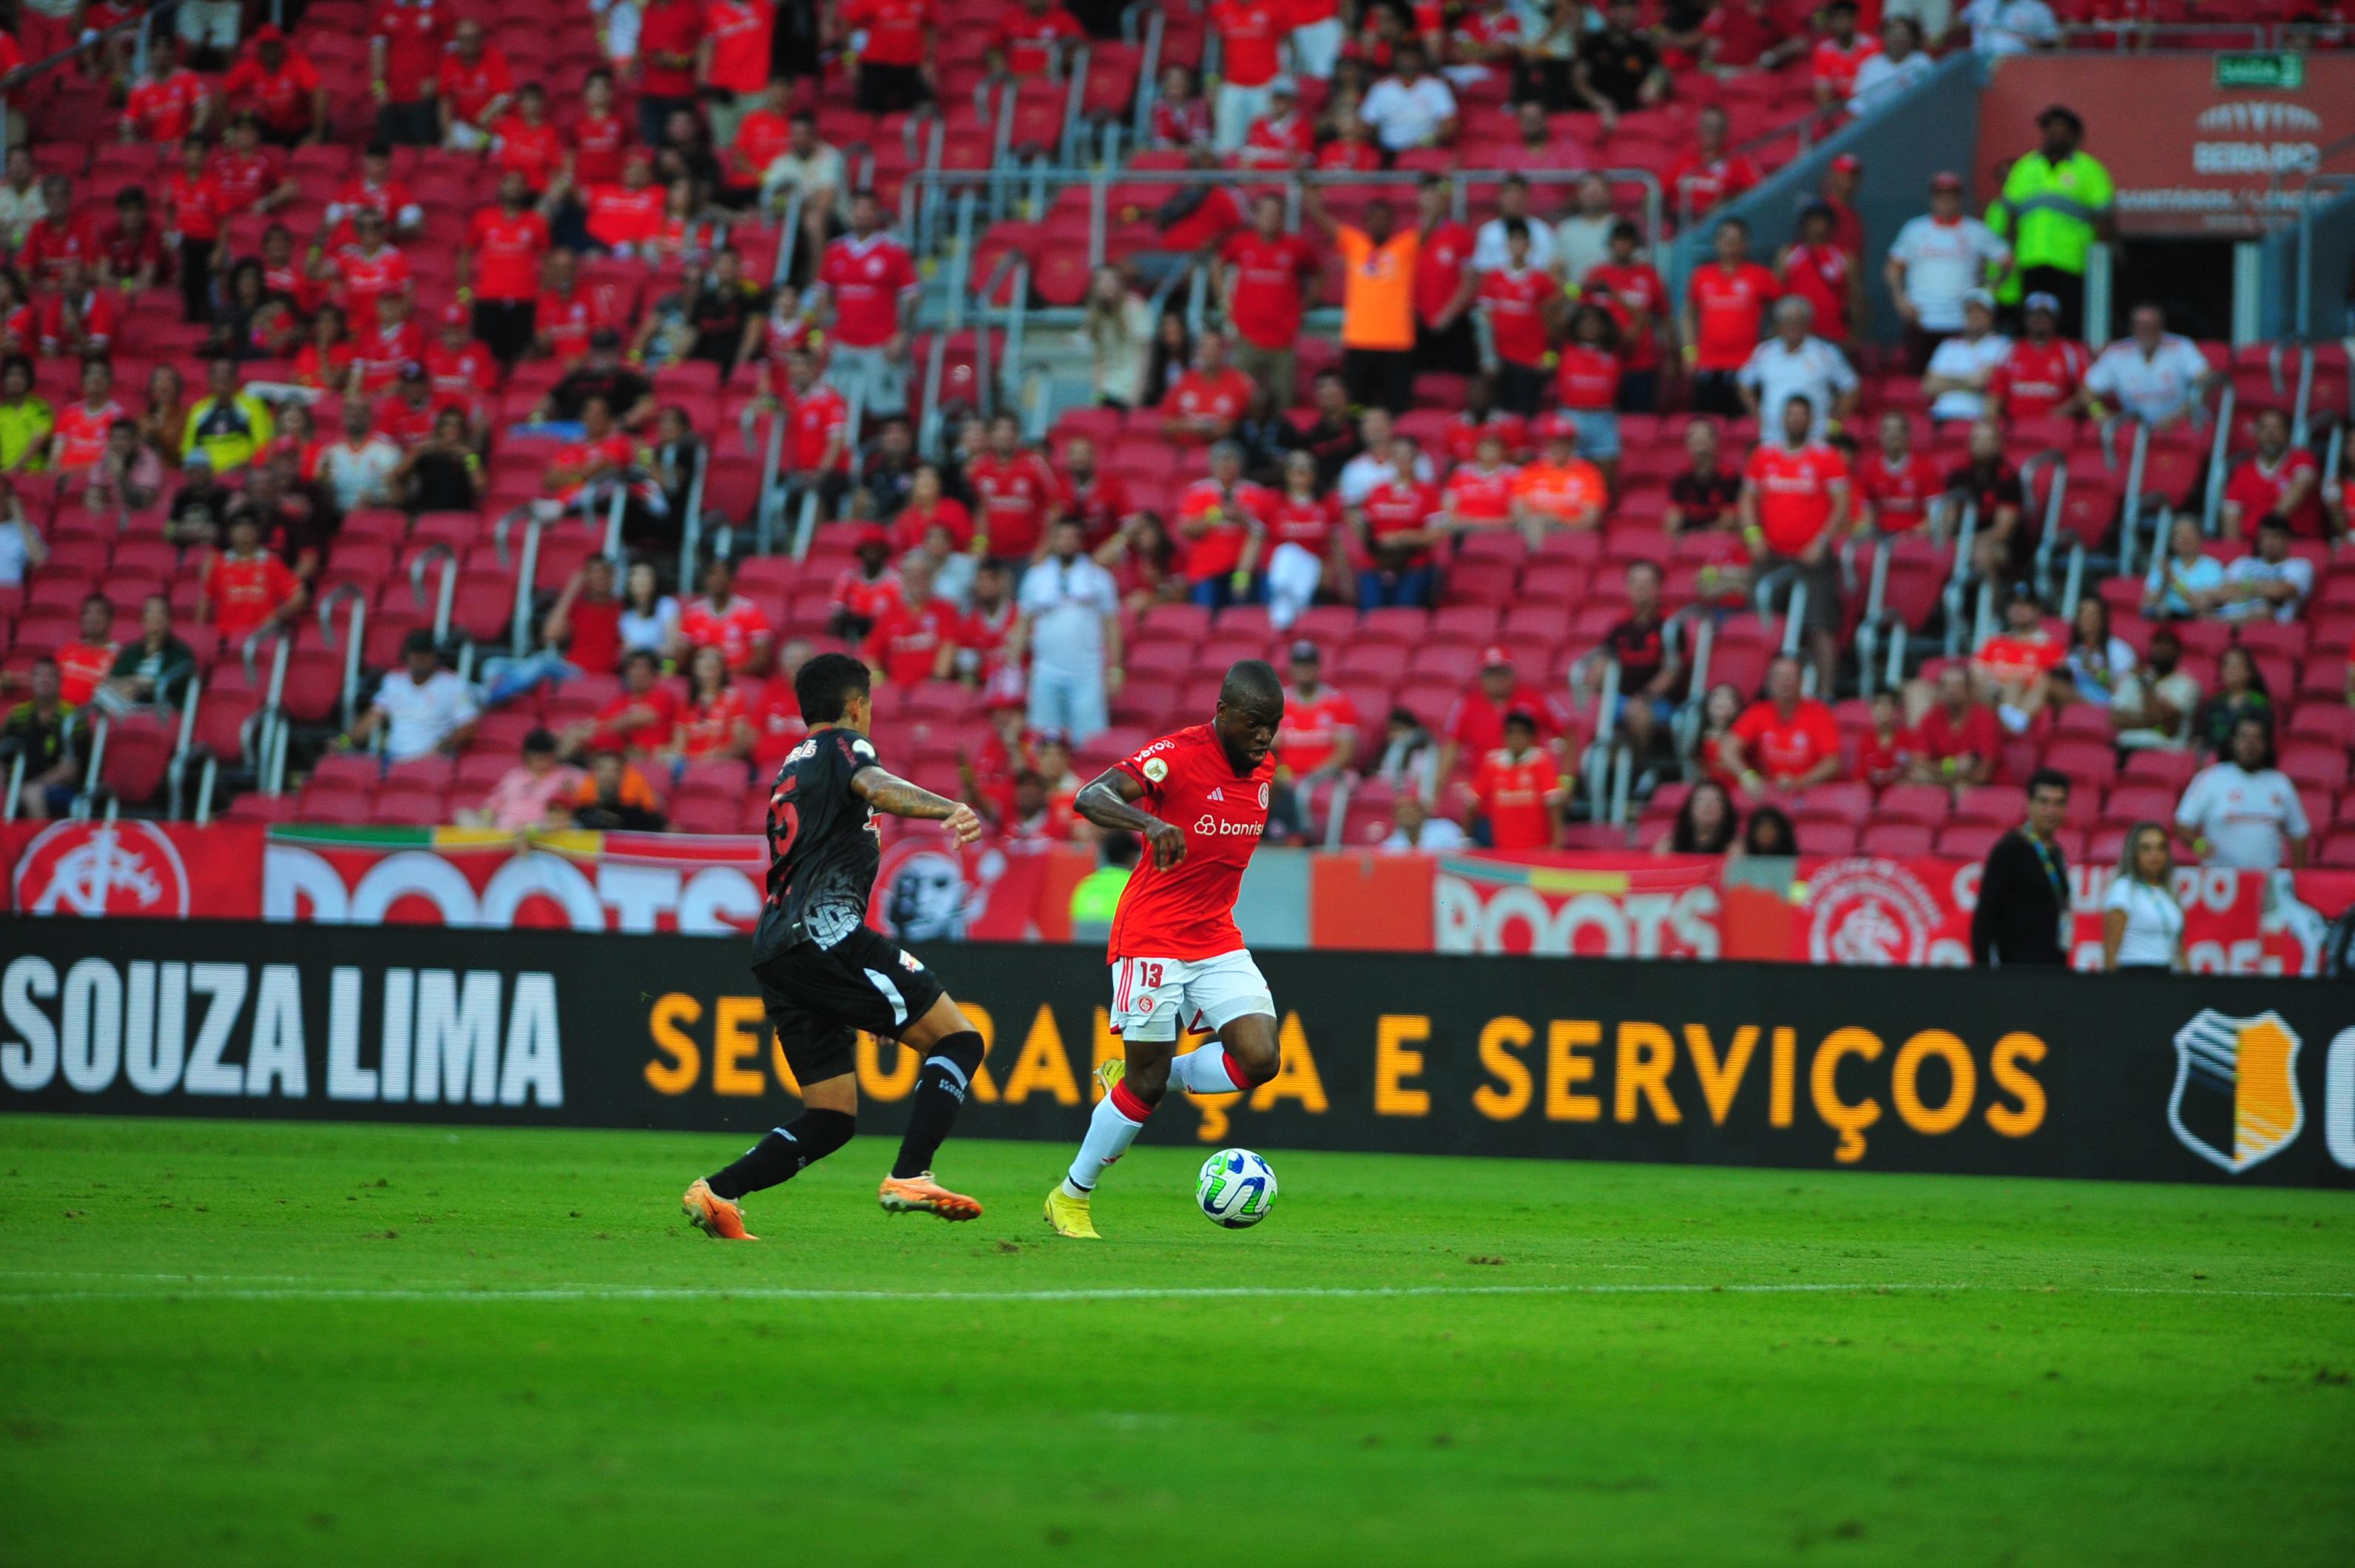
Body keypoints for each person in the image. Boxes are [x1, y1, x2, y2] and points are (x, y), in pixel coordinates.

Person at [680, 653, 992, 1240]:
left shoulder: (790, 770)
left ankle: (718, 1193)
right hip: (823, 934)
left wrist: (855, 996)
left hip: (778, 947)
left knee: (831, 1117)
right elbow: (875, 786)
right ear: (856, 706)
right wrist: (948, 807)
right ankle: (910, 1174)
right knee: (960, 1038)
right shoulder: (846, 750)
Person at [1044, 660, 1288, 1240]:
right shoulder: (1178, 755)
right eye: (1254, 723)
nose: (1264, 737)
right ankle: (1071, 1196)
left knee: (1260, 1058)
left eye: (1272, 726)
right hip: (1152, 933)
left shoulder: (1264, 766)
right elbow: (1090, 795)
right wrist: (1146, 825)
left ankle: (1130, 1076)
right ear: (1223, 712)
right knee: (1145, 1084)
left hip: (1215, 934)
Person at [1741, 394, 1850, 695]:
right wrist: (1753, 534)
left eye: (1802, 415)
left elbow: (1841, 505)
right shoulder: (1764, 456)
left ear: (1811, 420)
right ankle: (1756, 690)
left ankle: (1826, 692)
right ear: (1782, 419)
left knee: (1821, 625)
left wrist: (1822, 541)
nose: (1796, 420)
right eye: (1791, 414)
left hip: (1813, 556)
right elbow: (1747, 499)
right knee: (1759, 622)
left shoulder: (1826, 457)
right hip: (1772, 554)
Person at [1988, 103, 2107, 337]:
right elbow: (2012, 215)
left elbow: (2104, 218)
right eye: (2049, 129)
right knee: (2031, 322)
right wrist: (2010, 253)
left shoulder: (2089, 170)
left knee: (2069, 322)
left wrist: (2097, 259)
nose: (2054, 134)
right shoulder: (2025, 167)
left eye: (2061, 129)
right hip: (2030, 258)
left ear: (2073, 135)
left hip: (2072, 260)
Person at [1305, 192, 1418, 415]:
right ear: (1366, 222)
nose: (1380, 223)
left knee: (1396, 405)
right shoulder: (1355, 243)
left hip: (1397, 342)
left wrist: (1445, 187)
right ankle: (1358, 445)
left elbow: (1432, 222)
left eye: (1385, 218)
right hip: (1359, 340)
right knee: (1356, 404)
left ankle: (1391, 448)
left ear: (1392, 222)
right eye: (1375, 218)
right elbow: (1318, 215)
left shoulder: (1404, 246)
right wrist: (1308, 183)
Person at [1885, 173, 2010, 369]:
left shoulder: (1975, 230)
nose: (1946, 201)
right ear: (1932, 198)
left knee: (1956, 375)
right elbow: (1892, 269)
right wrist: (1900, 300)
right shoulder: (1915, 229)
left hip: (1959, 321)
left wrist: (1988, 291)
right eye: (1940, 195)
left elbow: (2007, 260)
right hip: (1921, 318)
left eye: (1951, 195)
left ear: (1959, 198)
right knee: (1918, 380)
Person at [1016, 517, 1123, 742]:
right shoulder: (1035, 577)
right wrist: (1013, 666)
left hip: (1087, 672)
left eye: (1072, 538)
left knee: (1090, 741)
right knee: (1044, 740)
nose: (1066, 542)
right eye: (1061, 537)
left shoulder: (1100, 578)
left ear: (1081, 542)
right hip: (1046, 671)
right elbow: (1023, 624)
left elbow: (1112, 626)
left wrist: (1115, 669)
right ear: (1053, 540)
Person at [817, 189, 919, 417]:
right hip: (843, 343)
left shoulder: (893, 251)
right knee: (834, 410)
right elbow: (824, 293)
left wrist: (902, 334)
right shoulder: (835, 250)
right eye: (857, 209)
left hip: (881, 344)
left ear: (876, 214)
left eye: (867, 209)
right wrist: (824, 333)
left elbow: (912, 296)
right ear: (850, 213)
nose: (862, 214)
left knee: (887, 411)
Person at [2175, 716, 2309, 871]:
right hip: (2223, 883)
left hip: (2267, 883)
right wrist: (2200, 845)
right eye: (2244, 737)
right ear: (2233, 741)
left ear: (2266, 744)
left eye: (2257, 738)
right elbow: (2182, 824)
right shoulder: (2211, 779)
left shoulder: (2280, 784)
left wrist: (2298, 877)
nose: (2250, 745)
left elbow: (2299, 832)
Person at [1971, 767, 2072, 967]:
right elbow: (1985, 916)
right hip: (2018, 971)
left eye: (2059, 803)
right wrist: (1982, 976)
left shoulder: (2057, 852)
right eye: (2044, 802)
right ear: (2028, 804)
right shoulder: (2009, 850)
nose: (2051, 811)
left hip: (2053, 967)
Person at [1683, 218, 1777, 417]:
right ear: (1717, 243)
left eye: (1737, 240)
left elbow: (1780, 312)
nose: (1731, 245)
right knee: (1706, 424)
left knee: (1744, 428)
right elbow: (1688, 315)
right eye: (1726, 239)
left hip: (1747, 366)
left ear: (1746, 244)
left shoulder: (1760, 275)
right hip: (1708, 366)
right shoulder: (1701, 276)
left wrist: (1769, 347)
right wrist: (1690, 351)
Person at [348, 629, 481, 762]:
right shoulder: (394, 681)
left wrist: (438, 750)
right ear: (407, 655)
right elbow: (372, 719)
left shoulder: (453, 684)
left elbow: (468, 726)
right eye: (416, 653)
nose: (420, 658)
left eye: (426, 653)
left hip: (431, 763)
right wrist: (343, 742)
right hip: (393, 759)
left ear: (435, 656)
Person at [1737, 296, 1856, 442]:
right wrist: (1758, 416)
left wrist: (1835, 421)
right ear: (1778, 325)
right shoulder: (1764, 352)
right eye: (1787, 321)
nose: (1793, 326)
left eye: (1798, 320)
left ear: (1808, 324)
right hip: (1773, 438)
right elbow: (1744, 383)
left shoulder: (1825, 352)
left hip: (1816, 439)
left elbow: (1851, 386)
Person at [2080, 303, 2214, 431]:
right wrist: (2099, 413)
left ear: (2161, 326)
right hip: (2139, 431)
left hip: (2185, 426)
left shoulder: (2182, 346)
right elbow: (2086, 392)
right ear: (2132, 328)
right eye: (2141, 325)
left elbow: (2206, 381)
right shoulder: (2117, 353)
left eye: (2152, 325)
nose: (2146, 330)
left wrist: (2179, 416)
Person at [1726, 655, 1841, 797]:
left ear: (1801, 682)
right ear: (1769, 682)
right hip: (1769, 794)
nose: (1785, 682)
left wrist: (1799, 783)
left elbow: (1832, 764)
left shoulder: (1819, 713)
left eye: (1790, 676)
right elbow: (1727, 750)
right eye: (1779, 676)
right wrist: (1749, 777)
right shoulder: (1758, 711)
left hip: (1810, 795)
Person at [2221, 408, 2324, 543]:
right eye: (2264, 428)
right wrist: (2235, 554)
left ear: (2287, 433)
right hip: (2253, 550)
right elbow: (2231, 518)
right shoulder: (2242, 471)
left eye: (2277, 428)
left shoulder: (2303, 459)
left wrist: (2268, 532)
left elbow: (2300, 488)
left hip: (2299, 544)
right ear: (2256, 433)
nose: (2270, 434)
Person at [1468, 709, 1566, 850]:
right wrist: (1465, 839)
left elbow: (1553, 804)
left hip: (1537, 849)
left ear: (1532, 737)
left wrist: (1556, 845)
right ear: (1504, 735)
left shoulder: (1541, 762)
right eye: (1512, 732)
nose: (1516, 738)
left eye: (1521, 733)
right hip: (1503, 850)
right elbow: (1472, 803)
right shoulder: (1492, 763)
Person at [0, 657, 84, 820]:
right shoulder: (18, 714)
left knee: (33, 793)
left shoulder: (73, 717)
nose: (44, 680)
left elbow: (70, 770)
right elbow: (3, 755)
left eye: (50, 675)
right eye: (39, 675)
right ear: (31, 680)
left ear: (60, 682)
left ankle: (40, 843)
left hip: (61, 788)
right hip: (19, 782)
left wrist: (31, 786)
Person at [2103, 822, 2184, 973]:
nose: (2155, 854)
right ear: (2133, 853)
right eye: (2146, 848)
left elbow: (2179, 948)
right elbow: (2111, 949)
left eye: (2161, 847)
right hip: (2134, 974)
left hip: (2166, 972)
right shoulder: (2123, 888)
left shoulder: (2168, 892)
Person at [1573, 0, 1666, 130]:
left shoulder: (1643, 46)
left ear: (1637, 14)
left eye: (1630, 10)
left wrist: (1655, 82)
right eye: (1621, 10)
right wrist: (1599, 102)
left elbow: (1660, 71)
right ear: (1611, 13)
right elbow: (1579, 80)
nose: (1625, 15)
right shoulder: (1594, 42)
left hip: (1634, 115)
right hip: (1596, 113)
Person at [468, 729, 584, 831]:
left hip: (543, 831)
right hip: (507, 831)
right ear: (528, 755)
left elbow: (591, 791)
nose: (542, 760)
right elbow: (493, 804)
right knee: (464, 815)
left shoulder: (567, 774)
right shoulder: (514, 776)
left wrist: (572, 793)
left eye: (546, 756)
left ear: (553, 754)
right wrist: (486, 816)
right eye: (538, 756)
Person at [1922, 291, 2010, 425]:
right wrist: (1967, 380)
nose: (1974, 317)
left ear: (1991, 316)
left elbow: (1982, 382)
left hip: (1975, 418)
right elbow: (1929, 386)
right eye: (1970, 312)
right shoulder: (1948, 346)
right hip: (1940, 416)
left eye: (1980, 312)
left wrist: (1947, 380)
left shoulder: (2002, 345)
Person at [99, 595, 197, 714]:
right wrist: (125, 685)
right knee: (98, 692)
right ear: (142, 620)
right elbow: (113, 678)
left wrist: (137, 685)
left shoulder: (180, 653)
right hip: (125, 702)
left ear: (169, 621)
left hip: (160, 709)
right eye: (150, 613)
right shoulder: (132, 651)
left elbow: (171, 685)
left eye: (160, 613)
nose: (155, 618)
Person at [1908, 663, 1999, 788]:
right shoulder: (1932, 717)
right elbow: (1919, 761)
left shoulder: (1984, 718)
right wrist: (1952, 766)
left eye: (1957, 686)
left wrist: (1937, 774)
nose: (1951, 691)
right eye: (1945, 686)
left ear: (1969, 690)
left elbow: (1983, 772)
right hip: (1944, 782)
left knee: (1961, 788)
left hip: (1984, 787)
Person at [2112, 626, 2201, 753]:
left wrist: (2146, 687)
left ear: (2178, 651)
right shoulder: (2135, 677)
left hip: (2164, 752)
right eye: (2158, 643)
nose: (2161, 648)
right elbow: (2116, 718)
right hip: (2126, 749)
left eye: (2168, 644)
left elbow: (2168, 725)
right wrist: (2151, 724)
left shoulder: (2188, 685)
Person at [2217, 515, 2314, 626]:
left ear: (2287, 539)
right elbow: (2224, 591)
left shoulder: (2299, 566)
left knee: (2264, 611)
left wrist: (2243, 587)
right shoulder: (2243, 563)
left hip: (2271, 626)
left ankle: (2221, 623)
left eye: (2275, 536)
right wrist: (2264, 588)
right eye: (2264, 536)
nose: (2269, 542)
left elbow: (2280, 591)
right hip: (2230, 614)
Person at [1080, 266, 1154, 410]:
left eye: (1111, 280)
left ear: (1120, 284)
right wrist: (1097, 396)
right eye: (1101, 281)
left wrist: (1137, 393)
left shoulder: (1135, 307)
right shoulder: (1095, 316)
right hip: (1107, 390)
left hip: (1131, 390)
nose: (1107, 285)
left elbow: (1145, 354)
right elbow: (1098, 360)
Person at [2191, 646, 2271, 758]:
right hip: (2213, 764)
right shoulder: (2214, 702)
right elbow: (2201, 738)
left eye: (2237, 665)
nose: (2231, 670)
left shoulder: (2259, 703)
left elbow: (2263, 739)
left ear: (2248, 672)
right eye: (2227, 665)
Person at [1656, 778, 1739, 856]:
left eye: (1716, 801)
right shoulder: (1670, 844)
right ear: (1690, 808)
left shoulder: (1734, 848)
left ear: (1725, 810)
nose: (1708, 806)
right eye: (1701, 800)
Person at [1382, 792, 1467, 852]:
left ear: (1422, 812)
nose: (1407, 815)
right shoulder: (1391, 846)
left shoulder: (1446, 829)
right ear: (1396, 818)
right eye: (1403, 813)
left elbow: (1465, 853)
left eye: (1411, 810)